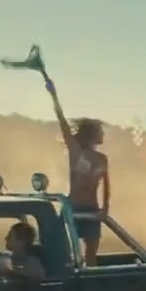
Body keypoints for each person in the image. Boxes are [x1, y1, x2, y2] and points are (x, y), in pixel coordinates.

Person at [45, 79, 111, 266]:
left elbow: (106, 186)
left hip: (92, 209)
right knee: (66, 251)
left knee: (91, 253)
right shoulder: (76, 152)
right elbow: (62, 123)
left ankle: (91, 278)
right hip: (73, 207)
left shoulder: (102, 159)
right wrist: (54, 96)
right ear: (91, 133)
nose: (103, 135)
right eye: (100, 131)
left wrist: (105, 208)